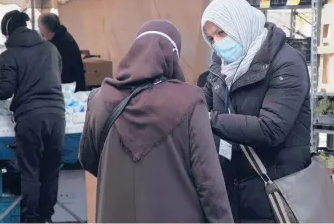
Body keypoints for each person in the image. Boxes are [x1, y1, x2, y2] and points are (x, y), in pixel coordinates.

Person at [78, 20, 233, 223]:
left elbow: (88, 159)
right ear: (172, 56)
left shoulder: (99, 98)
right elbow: (208, 178)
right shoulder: (189, 100)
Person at [201, 0, 312, 222]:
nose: (217, 43)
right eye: (211, 38)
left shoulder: (286, 63)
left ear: (240, 23)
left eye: (221, 33)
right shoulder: (220, 67)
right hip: (235, 186)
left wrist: (211, 120)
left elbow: (271, 128)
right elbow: (200, 103)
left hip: (276, 188)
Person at [0, 10, 65, 223]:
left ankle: (31, 219)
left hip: (30, 117)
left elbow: (6, 89)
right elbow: (57, 74)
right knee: (51, 171)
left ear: (7, 32)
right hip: (57, 115)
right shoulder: (50, 48)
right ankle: (46, 217)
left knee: (31, 172)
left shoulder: (9, 54)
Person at [38, 13, 86, 92]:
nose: (40, 31)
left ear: (45, 28)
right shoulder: (60, 36)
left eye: (40, 28)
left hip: (70, 89)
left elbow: (59, 70)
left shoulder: (61, 43)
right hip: (69, 86)